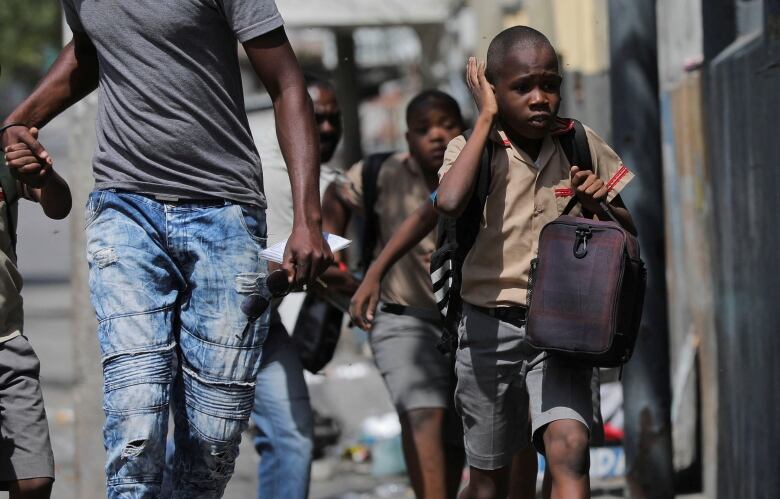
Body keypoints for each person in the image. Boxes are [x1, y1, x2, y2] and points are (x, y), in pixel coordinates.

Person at [1, 1, 332, 497]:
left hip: (225, 211)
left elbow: (287, 85)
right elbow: (91, 50)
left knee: (213, 445)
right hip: (125, 209)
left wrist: (309, 220)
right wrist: (20, 121)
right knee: (137, 419)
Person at [434, 26, 635, 499]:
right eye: (522, 87)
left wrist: (601, 201)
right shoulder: (473, 148)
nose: (540, 98)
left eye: (550, 84)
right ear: (493, 89)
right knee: (488, 481)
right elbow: (448, 202)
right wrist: (484, 119)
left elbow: (630, 232)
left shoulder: (579, 142)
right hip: (488, 330)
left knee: (570, 449)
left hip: (566, 329)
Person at [324, 90, 466, 499]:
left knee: (455, 434)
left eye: (447, 126)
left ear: (465, 132)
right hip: (403, 318)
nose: (437, 137)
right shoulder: (382, 173)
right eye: (424, 129)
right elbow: (337, 196)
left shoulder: (481, 173)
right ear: (408, 138)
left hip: (466, 322)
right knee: (422, 414)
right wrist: (332, 256)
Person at [250, 74, 356, 499]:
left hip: (259, 322)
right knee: (190, 444)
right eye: (316, 117)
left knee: (292, 439)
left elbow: (318, 264)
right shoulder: (259, 163)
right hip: (211, 318)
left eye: (334, 119)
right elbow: (292, 261)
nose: (327, 128)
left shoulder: (331, 180)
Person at [0, 126, 72, 498]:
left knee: (34, 480)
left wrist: (43, 174)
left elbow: (58, 206)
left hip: (7, 343)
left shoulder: (5, 159)